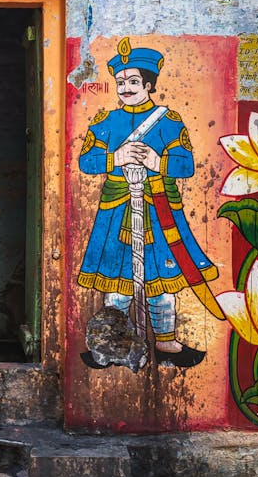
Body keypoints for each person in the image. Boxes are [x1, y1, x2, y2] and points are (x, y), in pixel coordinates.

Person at [77, 37, 222, 368]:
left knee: (161, 283)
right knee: (117, 283)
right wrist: (115, 157)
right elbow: (87, 162)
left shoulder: (168, 121)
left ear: (148, 84)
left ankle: (167, 343)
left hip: (159, 212)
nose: (126, 88)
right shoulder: (105, 122)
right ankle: (111, 346)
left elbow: (185, 166)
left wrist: (158, 161)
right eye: (121, 82)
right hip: (117, 215)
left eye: (133, 82)